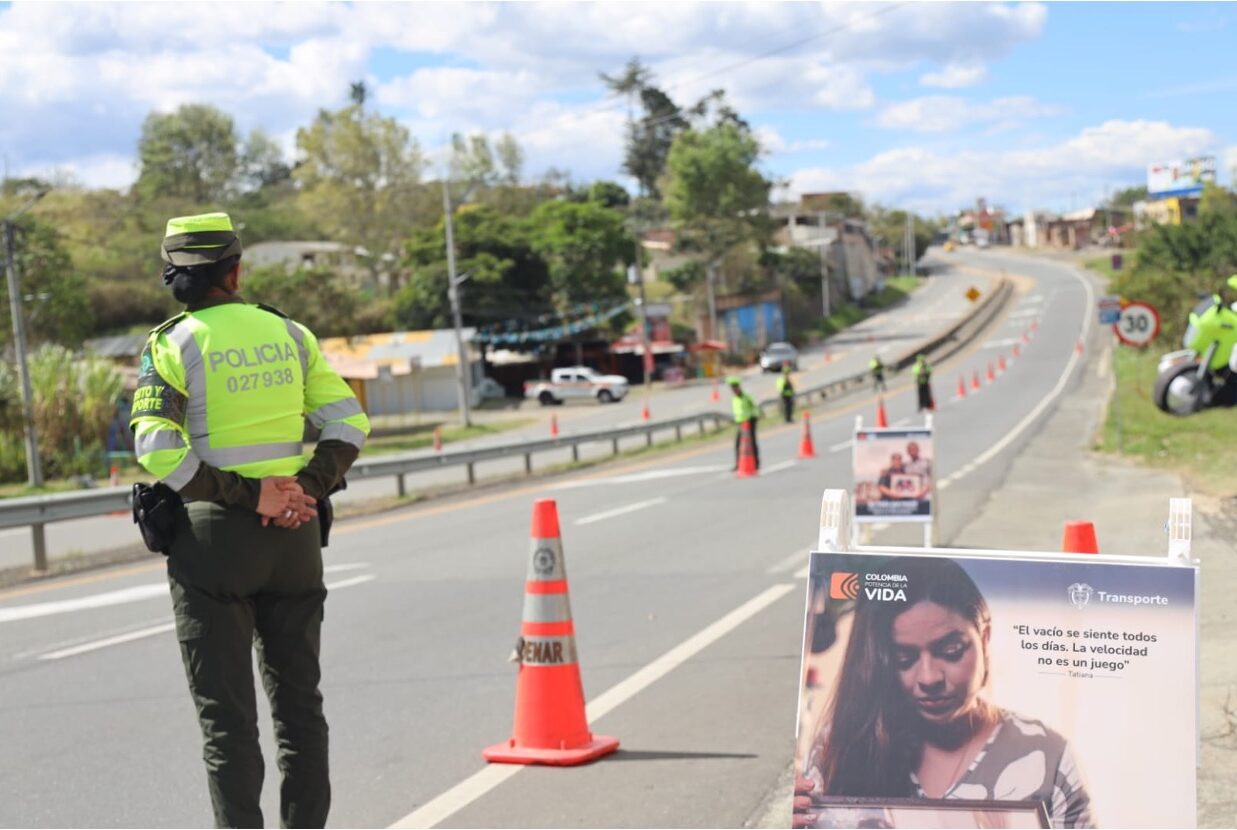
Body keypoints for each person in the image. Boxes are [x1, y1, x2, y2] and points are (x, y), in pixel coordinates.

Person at [131, 212, 371, 828]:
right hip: (295, 541)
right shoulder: (290, 334)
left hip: (214, 545)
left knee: (228, 723)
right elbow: (349, 424)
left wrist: (246, 495)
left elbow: (157, 446)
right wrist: (303, 493)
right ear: (236, 271)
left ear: (174, 276)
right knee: (300, 711)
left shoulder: (174, 343)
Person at [794, 557, 1095, 829]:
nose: (929, 677)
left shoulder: (1047, 756)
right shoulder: (839, 747)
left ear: (985, 637)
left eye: (950, 651)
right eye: (904, 659)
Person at [727, 375, 760, 471]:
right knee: (738, 444)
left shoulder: (746, 397)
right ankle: (738, 464)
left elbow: (754, 408)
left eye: (735, 388)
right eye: (732, 389)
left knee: (752, 443)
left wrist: (754, 418)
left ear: (738, 387)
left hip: (749, 422)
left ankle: (756, 463)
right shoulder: (734, 399)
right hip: (740, 423)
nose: (734, 391)